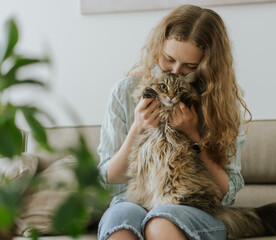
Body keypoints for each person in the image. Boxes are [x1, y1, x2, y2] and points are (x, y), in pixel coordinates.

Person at [97, 4, 251, 240]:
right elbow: (108, 181)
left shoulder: (220, 103)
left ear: (208, 65)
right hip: (132, 199)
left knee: (161, 223)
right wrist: (137, 128)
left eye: (190, 66)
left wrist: (193, 137)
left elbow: (226, 192)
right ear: (158, 47)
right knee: (121, 226)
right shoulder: (124, 91)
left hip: (189, 205)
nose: (177, 72)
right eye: (169, 59)